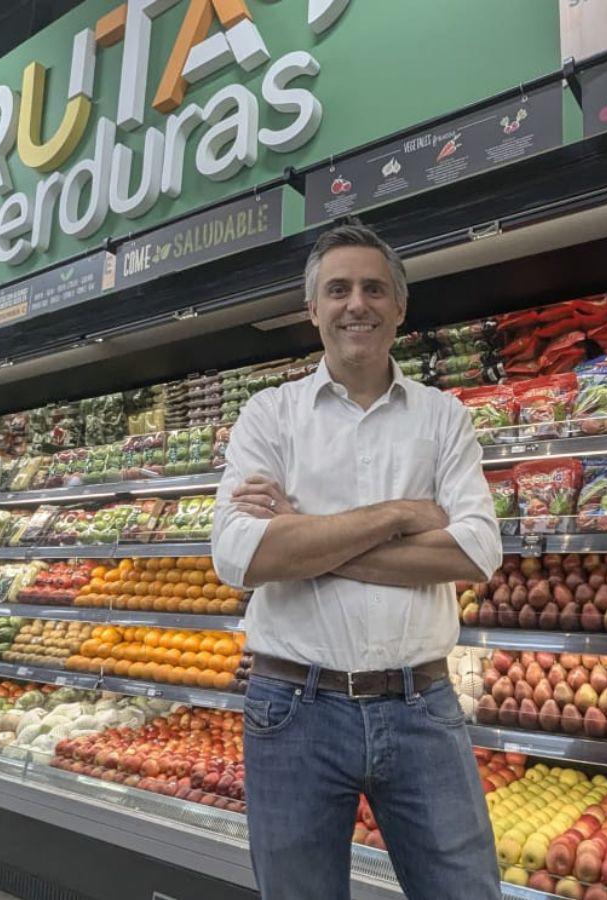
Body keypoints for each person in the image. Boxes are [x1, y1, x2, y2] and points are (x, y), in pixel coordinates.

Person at [211, 221, 503, 900]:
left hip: (421, 703)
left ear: (399, 308)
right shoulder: (269, 416)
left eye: (374, 289)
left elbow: (474, 551)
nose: (356, 303)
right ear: (313, 310)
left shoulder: (443, 417)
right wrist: (401, 517)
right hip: (292, 708)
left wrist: (302, 539)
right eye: (337, 290)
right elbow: (237, 556)